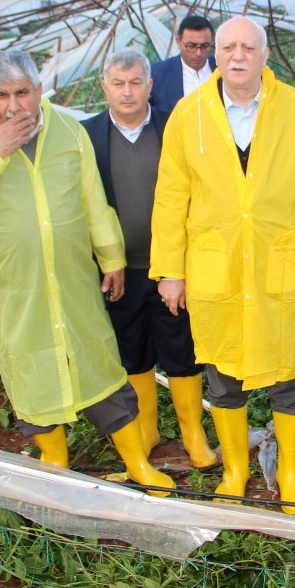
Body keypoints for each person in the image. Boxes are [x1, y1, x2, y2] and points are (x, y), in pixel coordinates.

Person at [0, 49, 174, 497]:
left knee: (98, 359)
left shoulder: (66, 130)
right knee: (31, 366)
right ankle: (54, 458)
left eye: (22, 92)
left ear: (39, 91)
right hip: (16, 284)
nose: (13, 105)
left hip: (74, 276)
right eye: (1, 95)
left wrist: (112, 258)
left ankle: (137, 462)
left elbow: (92, 201)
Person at [150, 16, 295, 515]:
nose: (238, 56)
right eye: (228, 46)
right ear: (215, 53)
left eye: (248, 48)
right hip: (217, 269)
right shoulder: (187, 115)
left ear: (263, 55)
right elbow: (171, 199)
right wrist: (171, 270)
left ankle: (290, 473)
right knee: (222, 372)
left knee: (289, 373)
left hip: (279, 266)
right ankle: (235, 469)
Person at [81, 49, 217, 470]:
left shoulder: (172, 126)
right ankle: (145, 428)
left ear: (150, 86)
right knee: (131, 347)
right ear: (104, 87)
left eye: (135, 83)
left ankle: (193, 433)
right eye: (118, 84)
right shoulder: (87, 136)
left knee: (181, 345)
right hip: (118, 268)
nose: (127, 92)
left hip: (170, 265)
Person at [149, 15, 216, 113]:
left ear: (212, 41)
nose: (198, 53)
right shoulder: (157, 75)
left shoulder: (223, 71)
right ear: (178, 41)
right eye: (191, 46)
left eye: (204, 46)